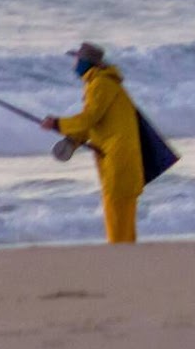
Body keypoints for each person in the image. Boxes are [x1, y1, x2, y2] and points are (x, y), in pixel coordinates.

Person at [40, 41, 143, 244]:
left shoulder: (101, 84)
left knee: (117, 211)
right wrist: (73, 141)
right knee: (118, 211)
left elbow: (89, 118)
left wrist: (57, 123)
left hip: (118, 158)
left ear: (87, 62)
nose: (74, 64)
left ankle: (119, 256)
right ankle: (126, 256)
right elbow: (93, 123)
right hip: (116, 157)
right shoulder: (100, 83)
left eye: (77, 60)